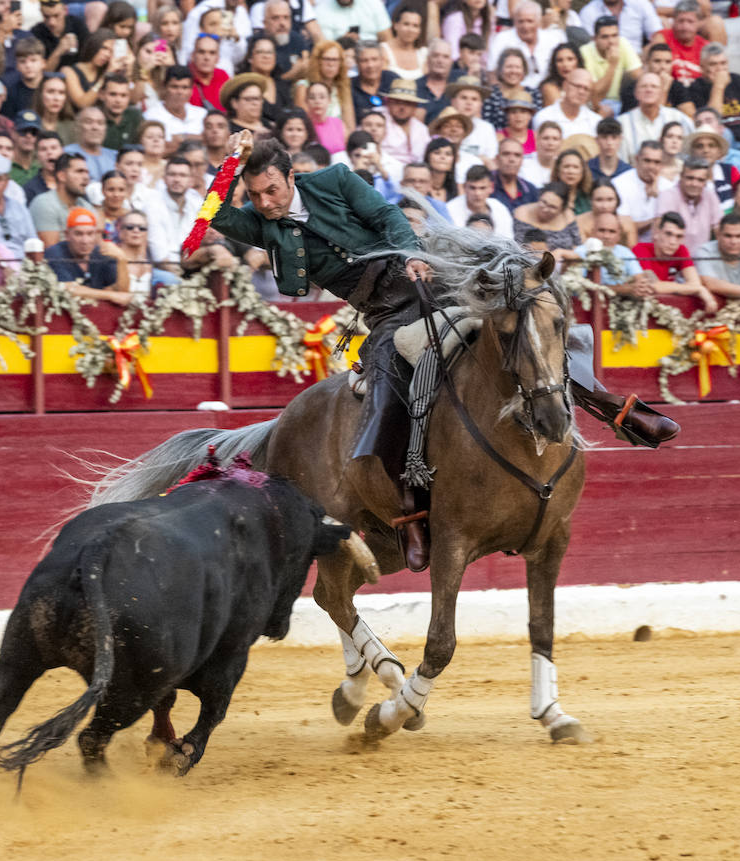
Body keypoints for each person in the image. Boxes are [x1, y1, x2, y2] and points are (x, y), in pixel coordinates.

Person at [211, 131, 675, 572]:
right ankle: (412, 509)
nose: (264, 203)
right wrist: (230, 163)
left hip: (436, 278)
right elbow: (211, 216)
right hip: (385, 312)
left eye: (270, 190)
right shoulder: (259, 223)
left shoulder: (332, 179)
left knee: (532, 328)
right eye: (254, 196)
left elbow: (387, 217)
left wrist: (414, 253)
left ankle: (617, 410)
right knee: (384, 392)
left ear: (290, 178)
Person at [45, 206, 134, 304]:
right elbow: (68, 289)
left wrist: (122, 260)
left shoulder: (103, 253)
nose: (85, 241)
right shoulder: (55, 253)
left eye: (90, 234)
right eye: (78, 234)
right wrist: (110, 295)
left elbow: (122, 293)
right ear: (67, 235)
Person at [632, 210, 719, 311]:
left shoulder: (681, 250)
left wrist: (697, 288)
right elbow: (653, 286)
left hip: (669, 309)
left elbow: (695, 283)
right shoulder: (640, 250)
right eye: (668, 234)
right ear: (656, 233)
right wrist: (699, 290)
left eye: (679, 236)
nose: (673, 242)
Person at [570, 212, 651, 298]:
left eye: (612, 231)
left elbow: (639, 278)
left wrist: (641, 287)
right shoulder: (581, 251)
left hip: (622, 304)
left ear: (619, 235)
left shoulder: (625, 252)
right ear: (592, 231)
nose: (606, 236)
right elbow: (581, 286)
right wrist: (625, 289)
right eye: (602, 230)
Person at [617, 72, 693, 160]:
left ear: (661, 93)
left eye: (654, 86)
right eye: (644, 86)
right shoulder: (622, 123)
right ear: (636, 93)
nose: (649, 90)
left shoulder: (678, 118)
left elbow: (691, 150)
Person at [655, 156, 722, 251]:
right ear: (681, 176)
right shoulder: (668, 195)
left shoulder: (710, 196)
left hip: (703, 259)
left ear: (706, 182)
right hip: (674, 260)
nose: (694, 184)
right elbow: (659, 233)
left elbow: (719, 229)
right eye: (690, 178)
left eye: (700, 180)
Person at [579, 17, 641, 116]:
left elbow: (638, 75)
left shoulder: (622, 43)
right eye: (605, 37)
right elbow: (595, 94)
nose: (611, 41)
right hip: (596, 103)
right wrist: (612, 65)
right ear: (595, 39)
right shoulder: (585, 52)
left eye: (614, 35)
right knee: (603, 112)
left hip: (622, 100)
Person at [615, 139, 676, 238]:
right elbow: (625, 228)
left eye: (656, 162)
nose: (651, 166)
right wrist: (656, 220)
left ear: (662, 164)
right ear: (637, 159)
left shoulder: (669, 188)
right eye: (647, 161)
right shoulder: (619, 183)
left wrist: (660, 198)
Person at [532, 68, 601, 140]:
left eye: (586, 89)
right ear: (565, 85)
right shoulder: (544, 117)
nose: (581, 92)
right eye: (577, 86)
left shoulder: (595, 121)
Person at [446, 165, 513, 238]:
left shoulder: (500, 208)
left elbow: (508, 243)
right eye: (472, 188)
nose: (477, 193)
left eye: (482, 188)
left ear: (491, 187)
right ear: (464, 187)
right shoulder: (450, 210)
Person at [576, 180, 638, 247]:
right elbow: (581, 251)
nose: (604, 206)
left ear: (617, 201)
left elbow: (632, 250)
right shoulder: (579, 221)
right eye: (599, 200)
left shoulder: (627, 222)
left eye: (610, 200)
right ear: (590, 200)